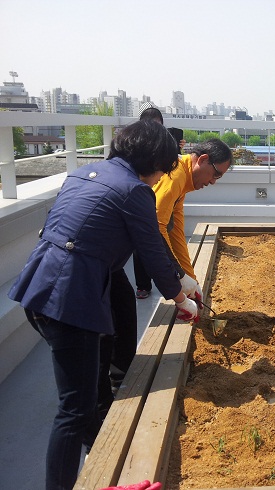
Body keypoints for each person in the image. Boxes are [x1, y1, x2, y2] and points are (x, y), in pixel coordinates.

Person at [8, 119, 200, 490]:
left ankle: (99, 453)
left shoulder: (86, 172)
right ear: (152, 161)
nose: (160, 176)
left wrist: (180, 281)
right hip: (70, 300)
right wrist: (181, 298)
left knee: (86, 387)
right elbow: (150, 251)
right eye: (162, 167)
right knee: (73, 410)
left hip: (39, 285)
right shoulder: (134, 190)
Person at [133, 138, 232, 299]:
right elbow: (156, 228)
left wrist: (191, 279)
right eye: (215, 174)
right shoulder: (176, 176)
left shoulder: (183, 179)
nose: (213, 181)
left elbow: (176, 232)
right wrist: (179, 278)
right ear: (203, 159)